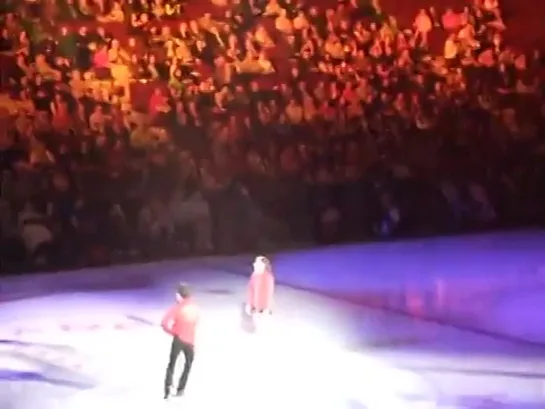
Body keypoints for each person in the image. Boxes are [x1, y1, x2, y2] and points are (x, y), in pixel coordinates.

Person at [161, 283, 199, 400]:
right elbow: (196, 321)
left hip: (179, 339)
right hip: (190, 340)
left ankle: (167, 391)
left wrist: (173, 332)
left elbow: (164, 323)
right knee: (187, 366)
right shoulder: (194, 307)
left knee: (171, 365)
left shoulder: (177, 308)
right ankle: (181, 389)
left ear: (179, 296)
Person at [244, 256, 275, 329]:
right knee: (256, 326)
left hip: (263, 308)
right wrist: (249, 304)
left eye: (257, 263)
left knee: (263, 327)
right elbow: (251, 291)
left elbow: (269, 293)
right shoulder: (254, 275)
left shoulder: (267, 277)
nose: (254, 264)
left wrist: (267, 308)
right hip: (255, 307)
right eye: (255, 262)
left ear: (263, 265)